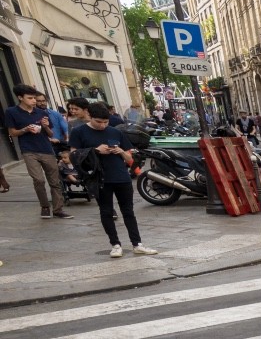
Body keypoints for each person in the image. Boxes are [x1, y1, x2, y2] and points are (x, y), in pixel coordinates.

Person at [71, 102, 158, 258]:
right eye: (99, 122)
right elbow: (74, 155)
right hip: (100, 177)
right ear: (90, 116)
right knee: (106, 211)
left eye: (106, 122)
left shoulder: (115, 132)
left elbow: (129, 157)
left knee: (128, 211)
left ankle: (137, 244)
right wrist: (95, 151)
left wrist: (120, 152)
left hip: (121, 176)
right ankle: (115, 244)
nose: (103, 125)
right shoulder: (79, 132)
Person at [5, 84, 71, 219]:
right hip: (29, 150)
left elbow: (50, 133)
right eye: (30, 98)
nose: (34, 101)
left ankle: (58, 209)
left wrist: (46, 126)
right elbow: (12, 133)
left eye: (34, 98)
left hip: (46, 148)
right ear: (20, 98)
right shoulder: (12, 112)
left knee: (55, 181)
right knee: (38, 180)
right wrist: (25, 129)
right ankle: (45, 206)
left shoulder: (42, 112)